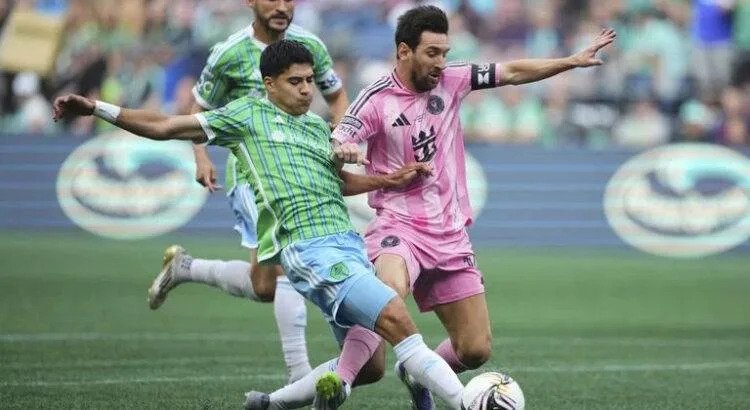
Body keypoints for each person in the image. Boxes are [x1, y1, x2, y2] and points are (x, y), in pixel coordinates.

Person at [53, 39, 466, 410]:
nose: (306, 90)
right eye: (295, 82)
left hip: (347, 245)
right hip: (310, 249)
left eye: (309, 80)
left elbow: (337, 183)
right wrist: (97, 108)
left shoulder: (316, 127)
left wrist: (388, 180)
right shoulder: (247, 116)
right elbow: (165, 126)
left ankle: (270, 404)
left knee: (370, 365)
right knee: (398, 318)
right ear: (269, 84)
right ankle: (471, 402)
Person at [332, 5, 616, 408]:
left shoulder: (453, 79)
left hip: (449, 235)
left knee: (475, 349)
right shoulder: (376, 99)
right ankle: (339, 381)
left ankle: (416, 371)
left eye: (445, 53)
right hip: (399, 226)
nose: (440, 62)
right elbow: (341, 137)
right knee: (388, 291)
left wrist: (570, 61)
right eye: (432, 53)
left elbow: (512, 72)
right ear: (403, 51)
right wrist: (342, 148)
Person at [148, 0, 350, 384]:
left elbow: (337, 96)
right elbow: (199, 107)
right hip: (251, 175)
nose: (282, 6)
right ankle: (299, 377)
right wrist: (200, 155)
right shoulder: (229, 53)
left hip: (300, 171)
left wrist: (341, 138)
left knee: (264, 286)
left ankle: (186, 268)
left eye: (289, 0)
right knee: (287, 262)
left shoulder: (310, 46)